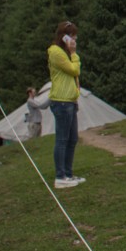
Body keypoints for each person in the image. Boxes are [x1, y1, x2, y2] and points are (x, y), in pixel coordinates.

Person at [48, 21, 84, 189]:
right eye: (72, 36)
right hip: (61, 101)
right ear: (64, 37)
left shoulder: (65, 52)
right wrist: (74, 53)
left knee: (72, 138)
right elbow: (74, 70)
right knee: (62, 139)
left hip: (70, 100)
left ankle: (68, 174)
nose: (74, 39)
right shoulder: (55, 52)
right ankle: (60, 176)